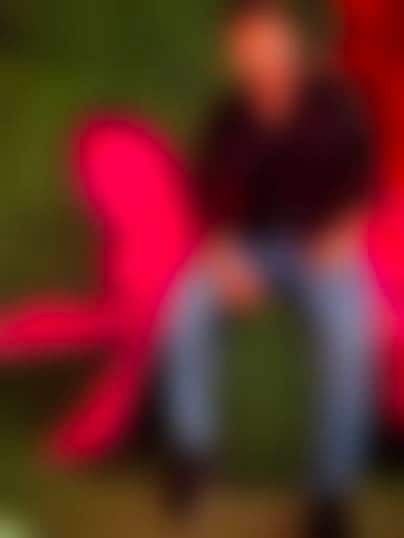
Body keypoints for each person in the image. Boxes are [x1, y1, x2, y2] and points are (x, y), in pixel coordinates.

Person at [158, 1, 376, 536]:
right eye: (248, 45)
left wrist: (342, 235)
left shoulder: (335, 103)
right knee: (185, 308)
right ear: (232, 55)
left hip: (321, 246)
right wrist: (224, 258)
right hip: (250, 246)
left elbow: (361, 182)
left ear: (291, 45)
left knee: (352, 336)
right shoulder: (226, 119)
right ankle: (192, 452)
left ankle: (330, 494)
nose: (262, 56)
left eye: (271, 41)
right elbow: (207, 201)